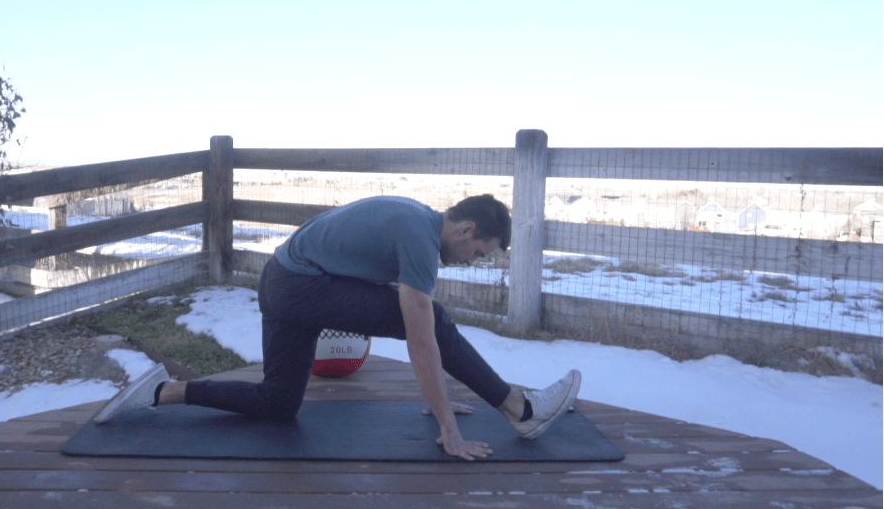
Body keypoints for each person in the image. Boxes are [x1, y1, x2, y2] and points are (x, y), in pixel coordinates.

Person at [94, 194, 582, 461]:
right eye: (477, 252)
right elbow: (420, 336)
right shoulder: (418, 237)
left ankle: (164, 392)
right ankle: (519, 409)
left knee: (278, 403)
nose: (471, 261)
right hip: (300, 287)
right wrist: (447, 428)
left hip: (281, 281)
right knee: (430, 319)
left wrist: (437, 396)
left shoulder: (414, 216)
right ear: (466, 229)